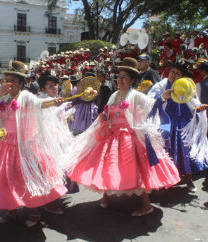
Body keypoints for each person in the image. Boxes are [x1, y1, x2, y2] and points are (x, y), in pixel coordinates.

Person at [67, 57, 180, 216]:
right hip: (112, 137)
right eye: (118, 76)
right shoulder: (114, 95)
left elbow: (152, 104)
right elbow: (107, 114)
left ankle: (146, 206)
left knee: (136, 171)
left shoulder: (135, 95)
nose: (120, 80)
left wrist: (163, 97)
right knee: (107, 167)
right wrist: (104, 118)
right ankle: (106, 197)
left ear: (132, 80)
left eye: (124, 77)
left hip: (129, 138)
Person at [0, 60, 70, 228]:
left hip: (25, 147)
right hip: (7, 145)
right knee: (8, 179)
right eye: (7, 80)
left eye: (13, 81)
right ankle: (11, 210)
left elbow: (40, 104)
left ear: (22, 83)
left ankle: (35, 212)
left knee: (29, 179)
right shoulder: (2, 99)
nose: (9, 84)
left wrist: (53, 102)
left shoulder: (26, 97)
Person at [148, 63, 208, 192]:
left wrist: (199, 108)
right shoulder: (161, 85)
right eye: (172, 72)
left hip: (184, 123)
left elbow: (194, 103)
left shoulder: (186, 86)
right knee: (164, 151)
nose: (173, 75)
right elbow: (150, 101)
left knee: (185, 151)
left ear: (182, 77)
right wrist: (163, 97)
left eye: (177, 74)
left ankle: (189, 180)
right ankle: (163, 179)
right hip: (165, 122)